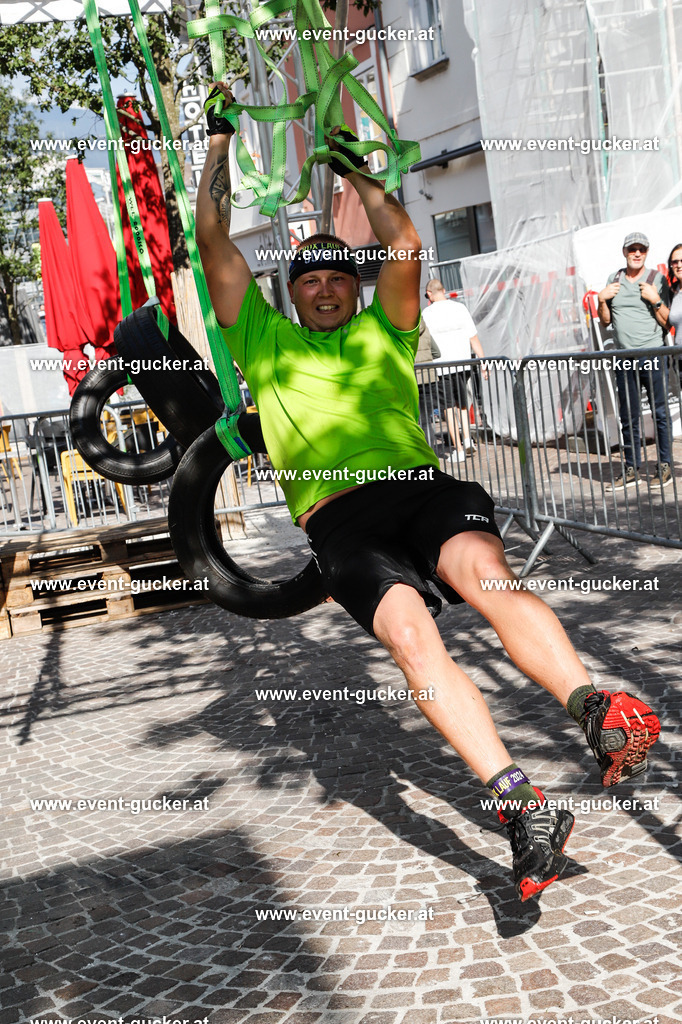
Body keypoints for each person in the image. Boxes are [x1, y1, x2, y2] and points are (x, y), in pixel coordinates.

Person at [197, 85, 661, 901]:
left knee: (488, 579)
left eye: (341, 276)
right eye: (312, 281)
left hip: (421, 488)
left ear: (354, 286)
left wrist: (366, 183)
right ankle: (525, 809)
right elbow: (212, 237)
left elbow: (405, 243)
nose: (329, 288)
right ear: (291, 293)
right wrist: (217, 144)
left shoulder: (386, 326)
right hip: (340, 522)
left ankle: (597, 709)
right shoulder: (260, 339)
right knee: (413, 642)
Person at [597, 232, 672, 488]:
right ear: (625, 252)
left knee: (660, 413)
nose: (637, 253)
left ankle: (665, 466)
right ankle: (631, 468)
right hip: (623, 357)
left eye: (641, 249)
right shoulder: (614, 279)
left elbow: (667, 321)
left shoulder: (656, 279)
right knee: (628, 416)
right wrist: (601, 300)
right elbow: (606, 320)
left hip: (652, 354)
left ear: (647, 253)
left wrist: (656, 299)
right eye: (632, 249)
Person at [422, 279, 487, 463]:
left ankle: (458, 449)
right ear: (444, 290)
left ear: (429, 294)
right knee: (463, 404)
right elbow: (473, 337)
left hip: (441, 366)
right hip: (463, 363)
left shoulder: (427, 314)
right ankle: (467, 439)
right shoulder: (460, 308)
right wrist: (483, 361)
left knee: (448, 408)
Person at [415, 319, 440, 449]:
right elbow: (437, 353)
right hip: (429, 378)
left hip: (410, 379)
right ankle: (431, 451)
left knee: (413, 421)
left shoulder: (398, 330)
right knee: (426, 421)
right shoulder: (424, 329)